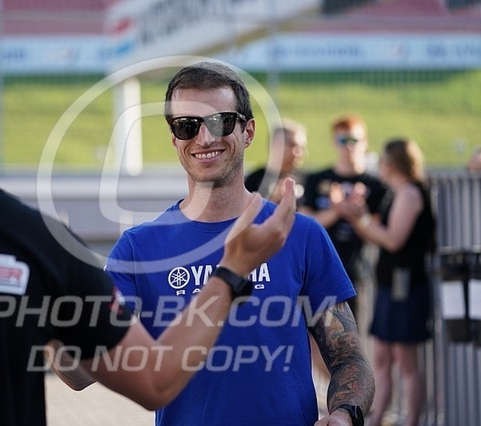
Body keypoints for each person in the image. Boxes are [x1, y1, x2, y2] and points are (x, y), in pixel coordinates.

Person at [0, 2, 298, 424]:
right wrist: (231, 271)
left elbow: (81, 373)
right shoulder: (37, 243)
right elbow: (155, 381)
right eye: (186, 126)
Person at [105, 62, 374, 426]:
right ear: (174, 139)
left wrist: (344, 414)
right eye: (187, 126)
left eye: (221, 122)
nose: (204, 138)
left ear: (248, 131)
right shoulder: (138, 248)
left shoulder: (301, 234)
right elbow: (80, 366)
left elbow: (348, 357)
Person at [343, 138, 435, 426]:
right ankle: (377, 418)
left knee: (406, 361)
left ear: (393, 163)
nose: (379, 166)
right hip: (390, 286)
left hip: (406, 287)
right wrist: (360, 218)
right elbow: (378, 235)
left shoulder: (410, 193)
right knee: (382, 357)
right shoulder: (397, 193)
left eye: (382, 160)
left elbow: (394, 240)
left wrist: (361, 219)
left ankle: (412, 420)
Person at [299, 114, 388, 329]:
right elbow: (304, 225)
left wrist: (358, 215)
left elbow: (379, 234)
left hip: (355, 272)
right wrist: (336, 210)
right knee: (316, 337)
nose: (349, 147)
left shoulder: (374, 185)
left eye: (354, 140)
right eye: (343, 140)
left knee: (352, 336)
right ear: (334, 142)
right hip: (317, 271)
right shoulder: (317, 179)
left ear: (365, 142)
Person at [244, 118, 308, 203]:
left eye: (302, 148)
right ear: (276, 145)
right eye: (293, 145)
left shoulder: (308, 180)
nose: (299, 152)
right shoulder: (255, 180)